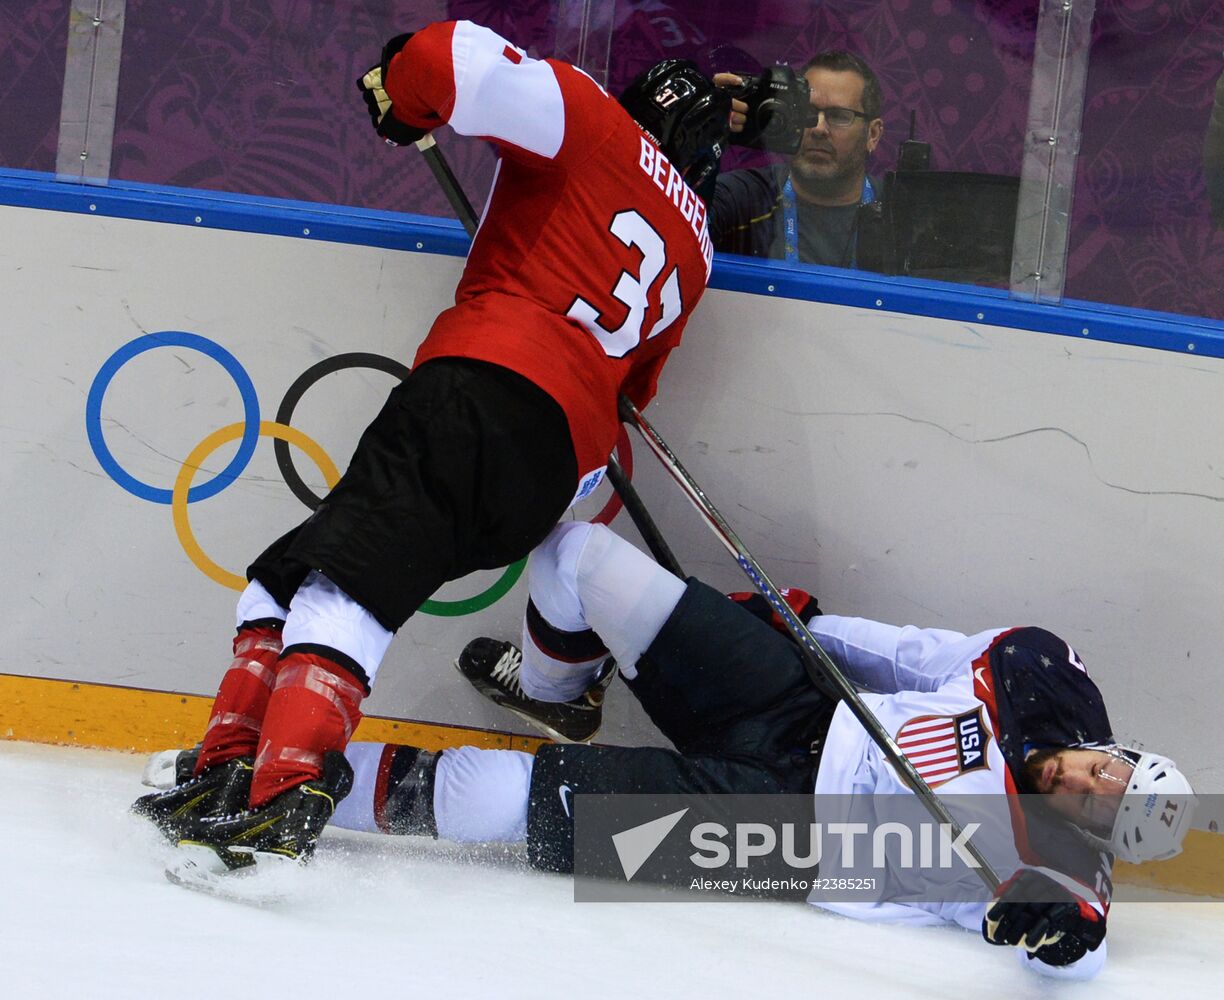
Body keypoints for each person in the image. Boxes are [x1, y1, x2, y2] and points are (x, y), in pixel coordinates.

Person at [132, 20, 732, 873]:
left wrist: (399, 95)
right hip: (557, 465)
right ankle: (229, 768)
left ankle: (283, 794)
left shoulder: (598, 120)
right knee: (287, 576)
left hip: (482, 388)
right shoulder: (697, 250)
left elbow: (451, 62)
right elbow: (634, 391)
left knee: (348, 583)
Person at [314, 520, 1192, 980]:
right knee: (576, 559)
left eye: (1093, 806)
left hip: (775, 834)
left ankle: (301, 788)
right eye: (1106, 772)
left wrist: (1068, 939)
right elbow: (908, 654)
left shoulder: (1066, 872)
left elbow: (1085, 944)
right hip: (796, 702)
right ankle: (557, 696)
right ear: (1122, 748)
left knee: (494, 796)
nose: (1079, 783)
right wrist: (799, 626)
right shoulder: (1047, 673)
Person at [709, 51, 885, 268]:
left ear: (873, 134)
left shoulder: (902, 214)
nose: (818, 128)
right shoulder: (742, 199)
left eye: (839, 116)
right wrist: (693, 149)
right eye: (806, 111)